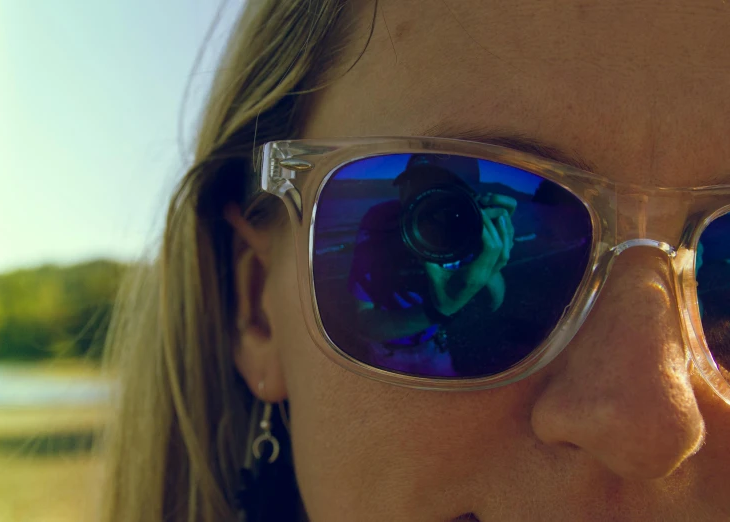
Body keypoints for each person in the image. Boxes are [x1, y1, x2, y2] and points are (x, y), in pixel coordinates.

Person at [98, 1, 730, 521]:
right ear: (257, 306)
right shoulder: (378, 257)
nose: (654, 426)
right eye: (427, 217)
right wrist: (468, 288)